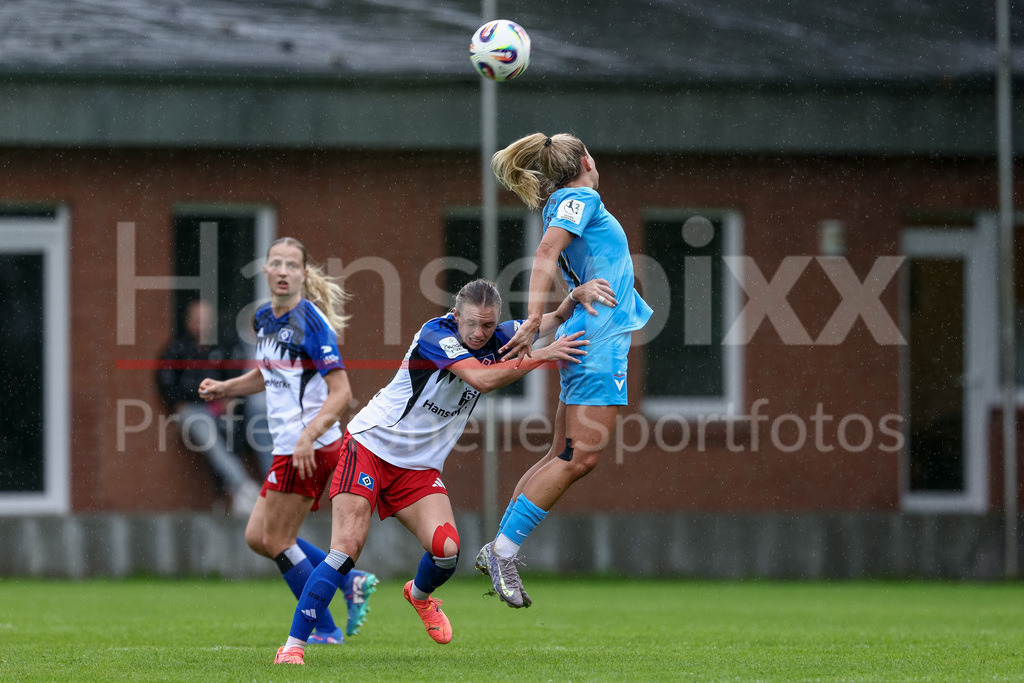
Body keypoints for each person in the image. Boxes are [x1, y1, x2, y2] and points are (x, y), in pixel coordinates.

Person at [272, 277, 600, 665]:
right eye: (472, 324)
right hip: (370, 448)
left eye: (489, 326)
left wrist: (570, 302)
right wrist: (543, 355)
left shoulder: (499, 336)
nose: (480, 334)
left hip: (418, 469)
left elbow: (544, 321)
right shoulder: (435, 335)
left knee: (446, 550)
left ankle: (420, 595)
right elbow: (482, 378)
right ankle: (293, 647)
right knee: (346, 549)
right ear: (455, 316)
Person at [475, 132, 654, 609]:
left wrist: (571, 298)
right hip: (597, 343)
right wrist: (534, 318)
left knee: (562, 452)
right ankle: (504, 553)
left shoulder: (565, 200)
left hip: (591, 333)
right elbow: (545, 253)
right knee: (579, 458)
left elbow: (564, 255)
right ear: (588, 161)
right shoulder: (579, 196)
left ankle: (501, 546)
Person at [198, 237, 378, 645]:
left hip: (310, 448)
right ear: (264, 270)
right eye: (275, 263)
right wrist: (226, 387)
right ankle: (353, 582)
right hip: (289, 446)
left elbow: (341, 393)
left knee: (276, 539)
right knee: (257, 536)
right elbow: (267, 374)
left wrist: (306, 437)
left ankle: (325, 629)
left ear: (303, 274)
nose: (282, 271)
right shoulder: (264, 317)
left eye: (291, 265)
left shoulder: (311, 324)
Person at [156, 298, 262, 515]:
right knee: (206, 432)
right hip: (192, 410)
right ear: (187, 321)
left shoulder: (222, 347)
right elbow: (166, 380)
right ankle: (242, 486)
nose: (199, 324)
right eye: (195, 319)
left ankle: (229, 497)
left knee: (237, 433)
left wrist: (229, 398)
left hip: (221, 409)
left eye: (203, 319)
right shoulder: (178, 348)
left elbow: (235, 377)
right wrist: (178, 403)